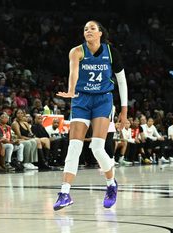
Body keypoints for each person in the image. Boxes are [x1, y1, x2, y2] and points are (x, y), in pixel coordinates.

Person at [53, 20, 128, 210]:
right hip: (81, 100)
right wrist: (71, 91)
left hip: (103, 99)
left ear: (101, 33)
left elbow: (122, 81)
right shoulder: (76, 51)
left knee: (96, 147)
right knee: (74, 146)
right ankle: (64, 193)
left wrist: (124, 111)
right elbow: (74, 73)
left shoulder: (111, 52)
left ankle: (111, 185)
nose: (88, 31)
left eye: (92, 28)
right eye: (85, 28)